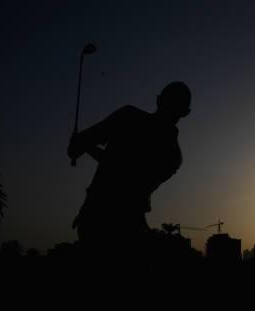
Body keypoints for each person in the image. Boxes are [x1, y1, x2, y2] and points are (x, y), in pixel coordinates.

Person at [67, 81, 191, 258]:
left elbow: (115, 166)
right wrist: (85, 147)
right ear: (186, 113)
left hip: (96, 218)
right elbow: (129, 174)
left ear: (158, 100)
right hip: (130, 225)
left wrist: (80, 145)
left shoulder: (128, 116)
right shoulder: (173, 157)